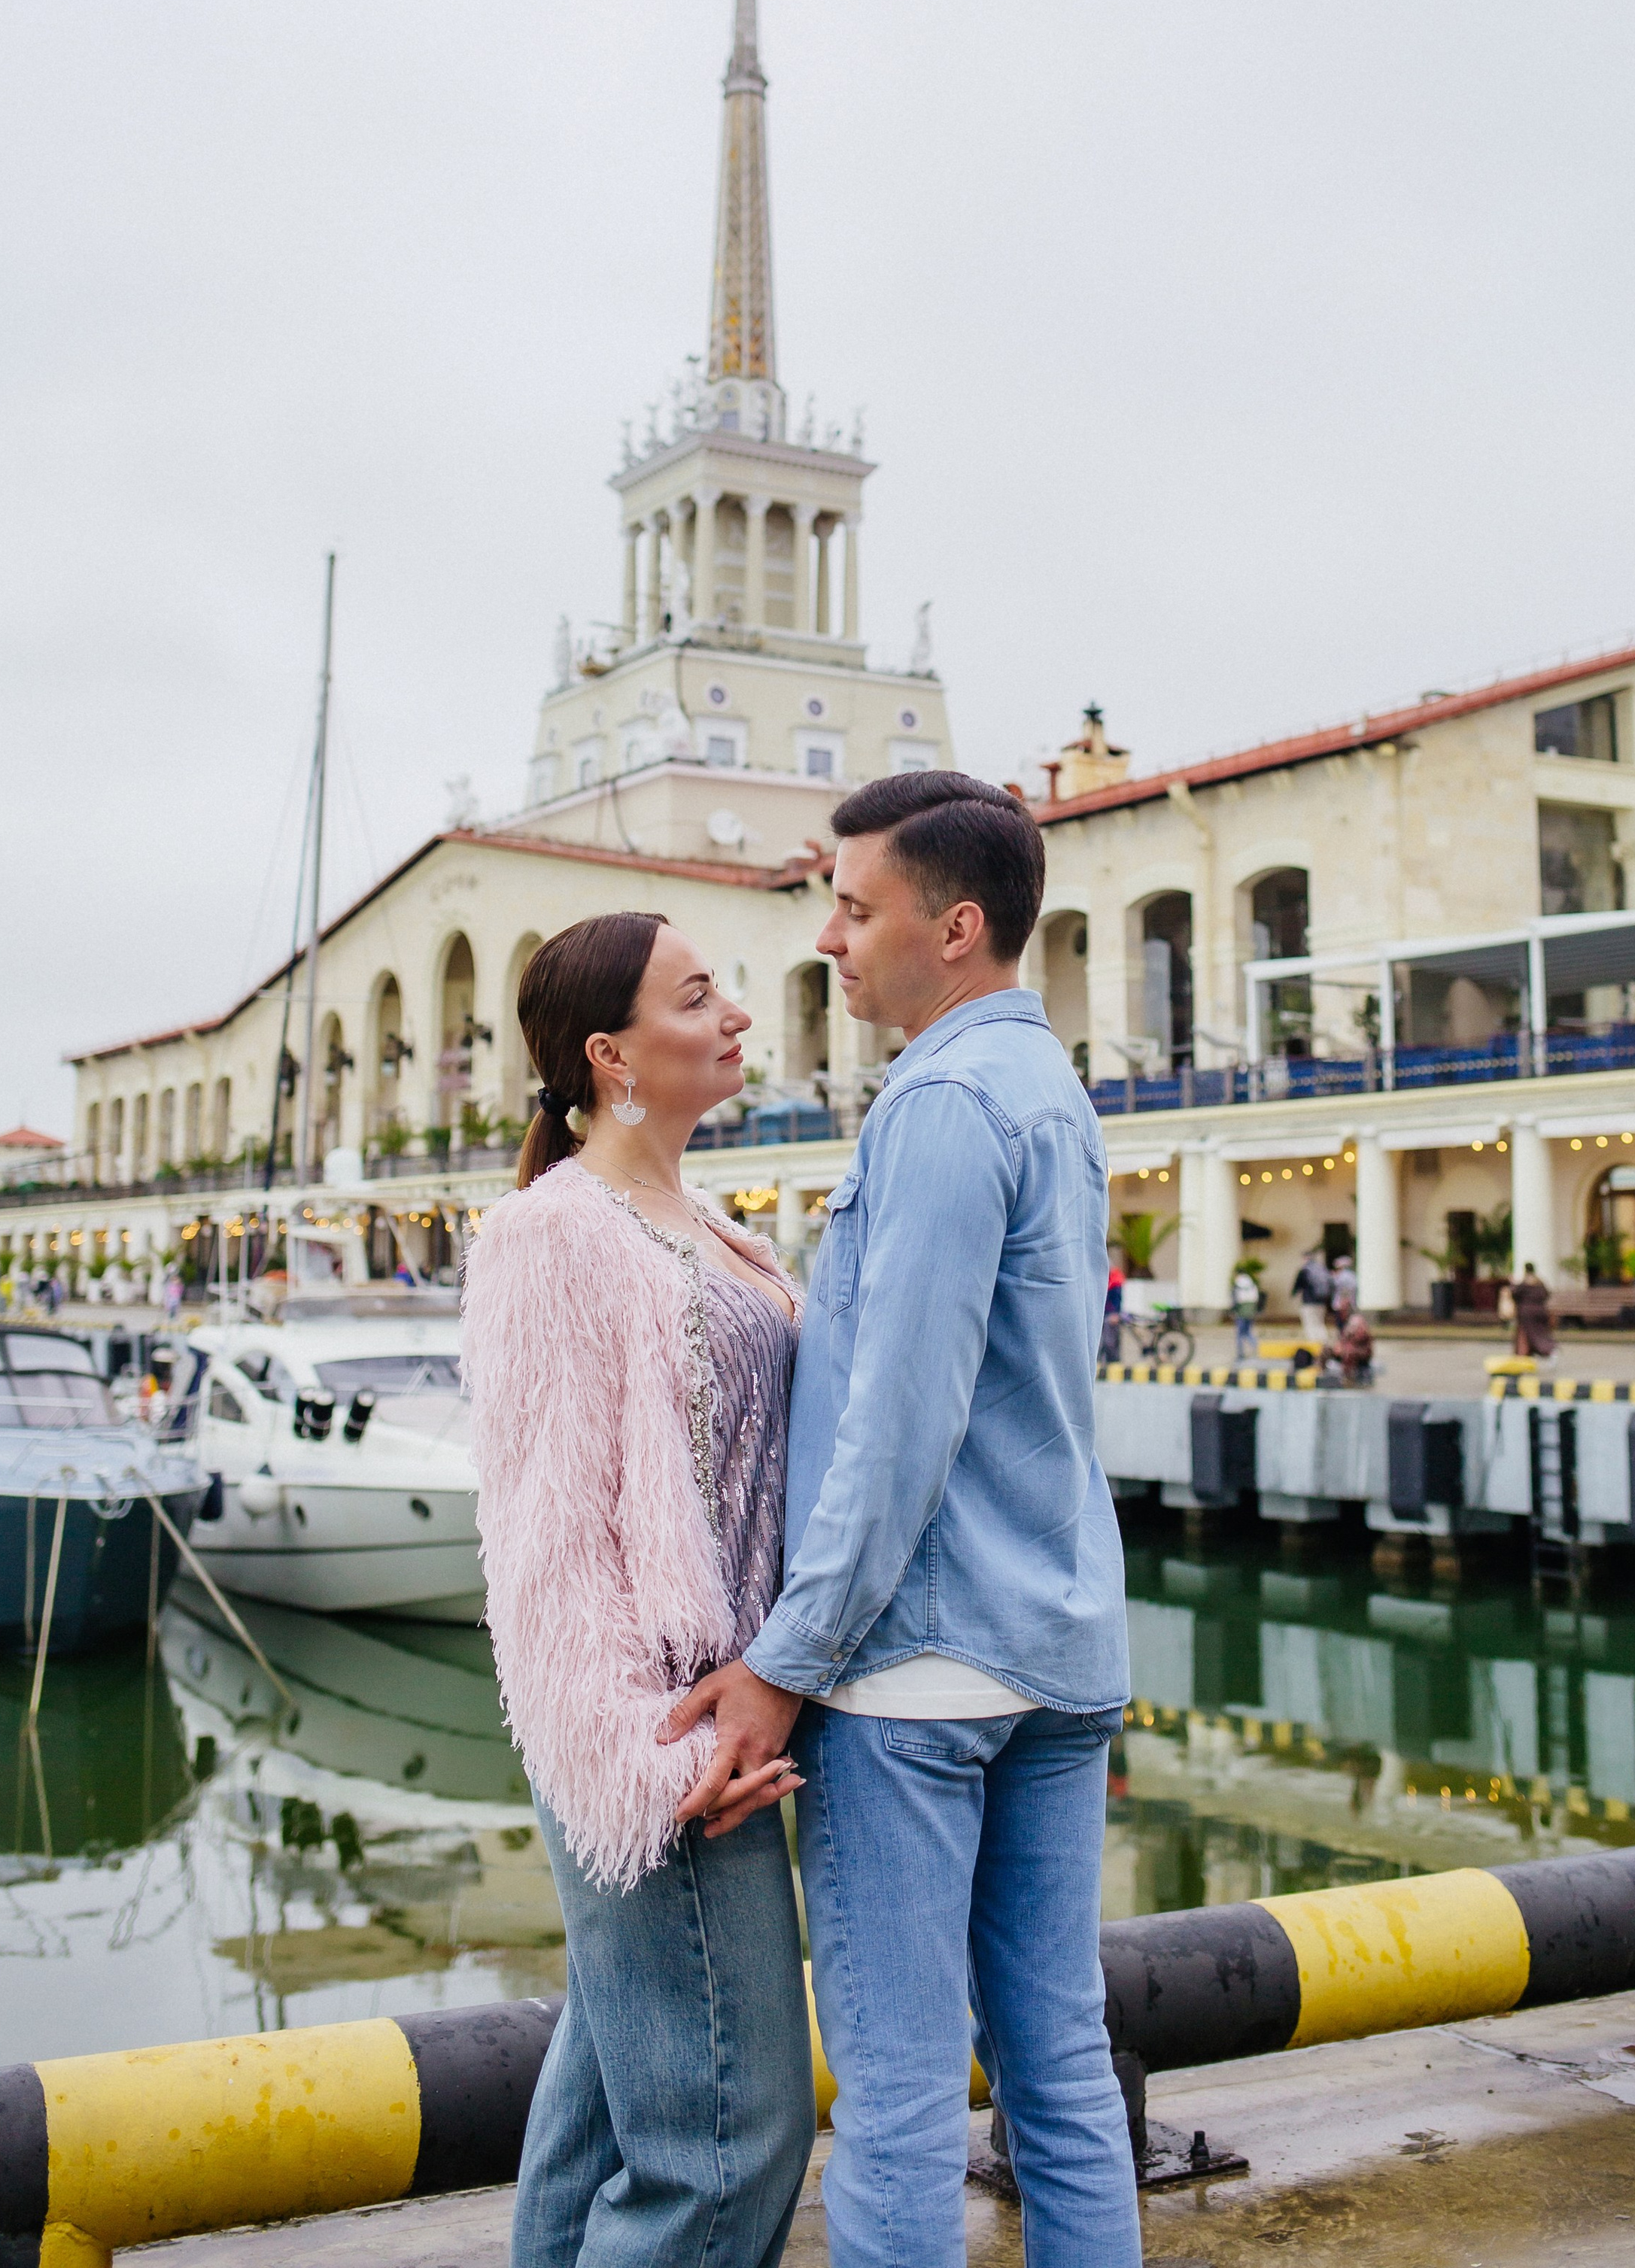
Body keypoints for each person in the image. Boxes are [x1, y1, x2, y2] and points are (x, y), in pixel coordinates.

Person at [664, 771, 1141, 2268]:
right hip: (1053, 1653)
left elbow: (899, 1428)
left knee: (896, 2099)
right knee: (1061, 2070)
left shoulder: (938, 1104)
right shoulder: (1049, 1093)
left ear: (957, 926)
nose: (824, 937)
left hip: (913, 1669)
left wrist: (784, 1662)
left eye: (853, 906)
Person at [460, 913, 814, 2268]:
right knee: (727, 2146)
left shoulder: (707, 1219)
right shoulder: (552, 1235)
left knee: (611, 2115)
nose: (735, 1016)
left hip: (727, 1714)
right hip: (664, 1750)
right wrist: (636, 1765)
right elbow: (547, 1540)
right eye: (698, 996)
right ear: (611, 1055)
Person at [1510, 1262, 1555, 1362]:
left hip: (1527, 1313)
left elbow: (1515, 1294)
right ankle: (1550, 1350)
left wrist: (1512, 1284)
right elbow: (1546, 1294)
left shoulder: (1524, 1282)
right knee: (1542, 1333)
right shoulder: (1540, 1282)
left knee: (1527, 1334)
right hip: (1541, 1311)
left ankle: (1525, 1355)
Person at [1230, 1260, 1261, 1362]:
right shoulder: (1251, 1283)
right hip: (1251, 1310)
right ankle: (1257, 1347)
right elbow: (1256, 1298)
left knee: (1240, 1333)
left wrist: (1233, 1311)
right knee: (1248, 1331)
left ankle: (1240, 1354)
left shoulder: (1238, 1284)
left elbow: (1235, 1300)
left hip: (1241, 1310)